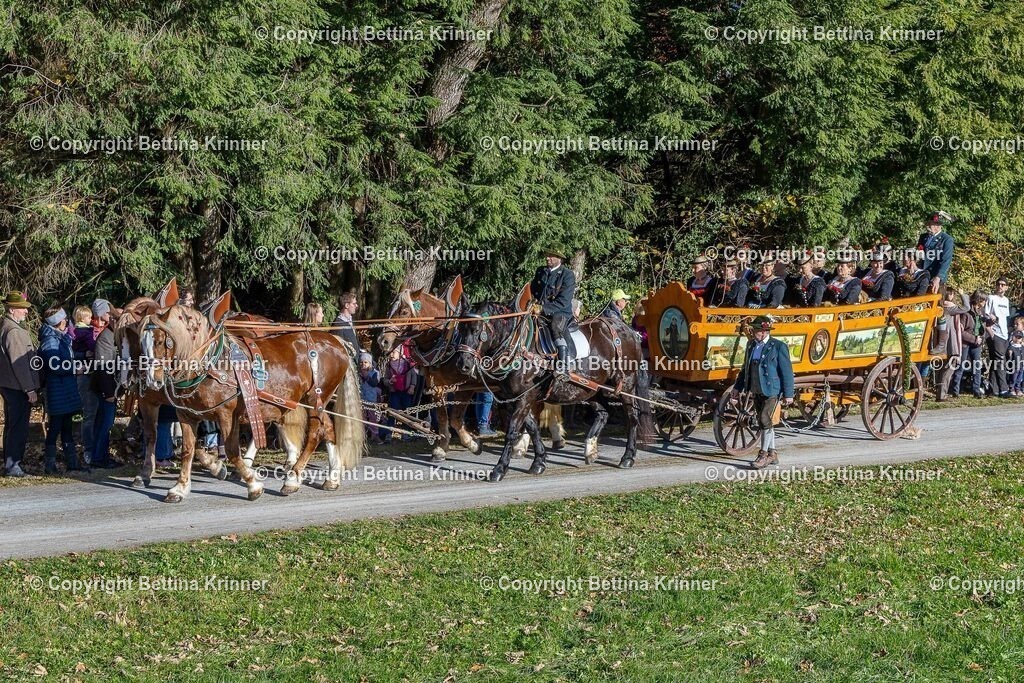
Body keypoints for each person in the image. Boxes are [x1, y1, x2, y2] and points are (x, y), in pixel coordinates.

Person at [730, 315, 794, 469]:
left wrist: (788, 394)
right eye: (754, 330)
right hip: (756, 388)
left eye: (756, 330)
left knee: (765, 419)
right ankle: (772, 453)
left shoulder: (778, 346)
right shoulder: (751, 345)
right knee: (764, 421)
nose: (754, 332)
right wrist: (737, 387)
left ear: (765, 331)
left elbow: (786, 371)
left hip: (772, 389)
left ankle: (763, 455)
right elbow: (745, 369)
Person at [38, 307, 85, 474]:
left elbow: (66, 357)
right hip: (57, 390)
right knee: (55, 427)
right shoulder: (50, 340)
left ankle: (72, 462)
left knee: (67, 426)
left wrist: (83, 356)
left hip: (65, 390)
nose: (67, 321)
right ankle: (49, 465)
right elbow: (55, 366)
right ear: (57, 322)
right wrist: (74, 369)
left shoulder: (61, 337)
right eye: (64, 319)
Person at [0, 291, 41, 477]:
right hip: (17, 386)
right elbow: (20, 364)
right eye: (22, 309)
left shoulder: (6, 326)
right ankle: (13, 465)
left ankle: (10, 463)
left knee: (12, 425)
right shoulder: (14, 331)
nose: (26, 313)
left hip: (10, 384)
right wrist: (29, 388)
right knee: (17, 427)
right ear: (12, 309)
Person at [531, 246, 576, 376]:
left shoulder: (567, 275)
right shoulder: (541, 271)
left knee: (556, 327)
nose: (547, 258)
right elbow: (533, 290)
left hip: (560, 312)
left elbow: (564, 301)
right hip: (538, 310)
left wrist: (543, 308)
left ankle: (563, 365)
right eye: (547, 255)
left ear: (559, 258)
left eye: (551, 255)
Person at [89, 298, 121, 468]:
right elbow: (102, 368)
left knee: (104, 423)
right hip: (105, 390)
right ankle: (99, 458)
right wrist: (109, 393)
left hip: (111, 389)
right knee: (105, 424)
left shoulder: (114, 336)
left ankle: (101, 456)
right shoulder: (105, 338)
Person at [70, 304, 98, 461]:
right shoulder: (85, 332)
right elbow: (93, 347)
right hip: (85, 373)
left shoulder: (74, 332)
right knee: (89, 412)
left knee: (90, 412)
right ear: (81, 318)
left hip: (85, 372)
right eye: (88, 317)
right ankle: (89, 448)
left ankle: (91, 447)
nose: (91, 319)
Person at [951, 292, 989, 399]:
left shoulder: (981, 313)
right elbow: (961, 332)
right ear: (978, 300)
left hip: (977, 344)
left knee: (977, 367)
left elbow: (983, 328)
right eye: (983, 300)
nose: (985, 303)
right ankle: (955, 391)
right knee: (961, 366)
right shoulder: (966, 313)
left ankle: (976, 390)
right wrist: (974, 338)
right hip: (965, 343)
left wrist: (981, 338)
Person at [381, 345, 418, 442]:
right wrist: (390, 382)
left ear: (400, 353)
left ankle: (406, 433)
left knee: (407, 412)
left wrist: (412, 386)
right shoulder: (389, 366)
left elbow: (414, 376)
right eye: (390, 353)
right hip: (395, 392)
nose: (391, 355)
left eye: (394, 352)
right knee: (392, 412)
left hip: (406, 391)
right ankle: (389, 433)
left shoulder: (408, 364)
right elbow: (385, 379)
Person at [983, 277, 1012, 397]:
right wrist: (992, 334)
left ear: (1006, 287)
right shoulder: (991, 298)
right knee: (1001, 362)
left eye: (1003, 284)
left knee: (996, 361)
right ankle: (1004, 389)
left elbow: (1005, 317)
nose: (1000, 286)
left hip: (1004, 334)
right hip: (995, 333)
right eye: (998, 284)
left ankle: (993, 389)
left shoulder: (1006, 300)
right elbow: (985, 313)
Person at [917, 211, 955, 294]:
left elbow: (946, 260)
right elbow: (919, 254)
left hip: (935, 276)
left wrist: (938, 277)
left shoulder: (946, 239)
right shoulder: (923, 237)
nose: (934, 227)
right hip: (922, 275)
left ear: (940, 226)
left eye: (937, 225)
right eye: (932, 224)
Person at [358, 352, 383, 444]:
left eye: (365, 362)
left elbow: (374, 383)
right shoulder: (358, 373)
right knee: (362, 418)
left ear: (370, 363)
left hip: (371, 399)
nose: (363, 364)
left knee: (373, 418)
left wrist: (366, 376)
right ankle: (362, 436)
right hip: (361, 399)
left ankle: (375, 435)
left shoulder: (375, 373)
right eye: (361, 362)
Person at [1009, 330, 1024, 397]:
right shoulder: (1012, 346)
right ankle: (1011, 389)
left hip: (1021, 365)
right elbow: (1009, 356)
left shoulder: (1022, 347)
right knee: (1013, 377)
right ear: (1013, 337)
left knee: (1019, 378)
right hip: (1014, 365)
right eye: (1016, 337)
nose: (1018, 339)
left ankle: (1018, 389)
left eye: (1019, 337)